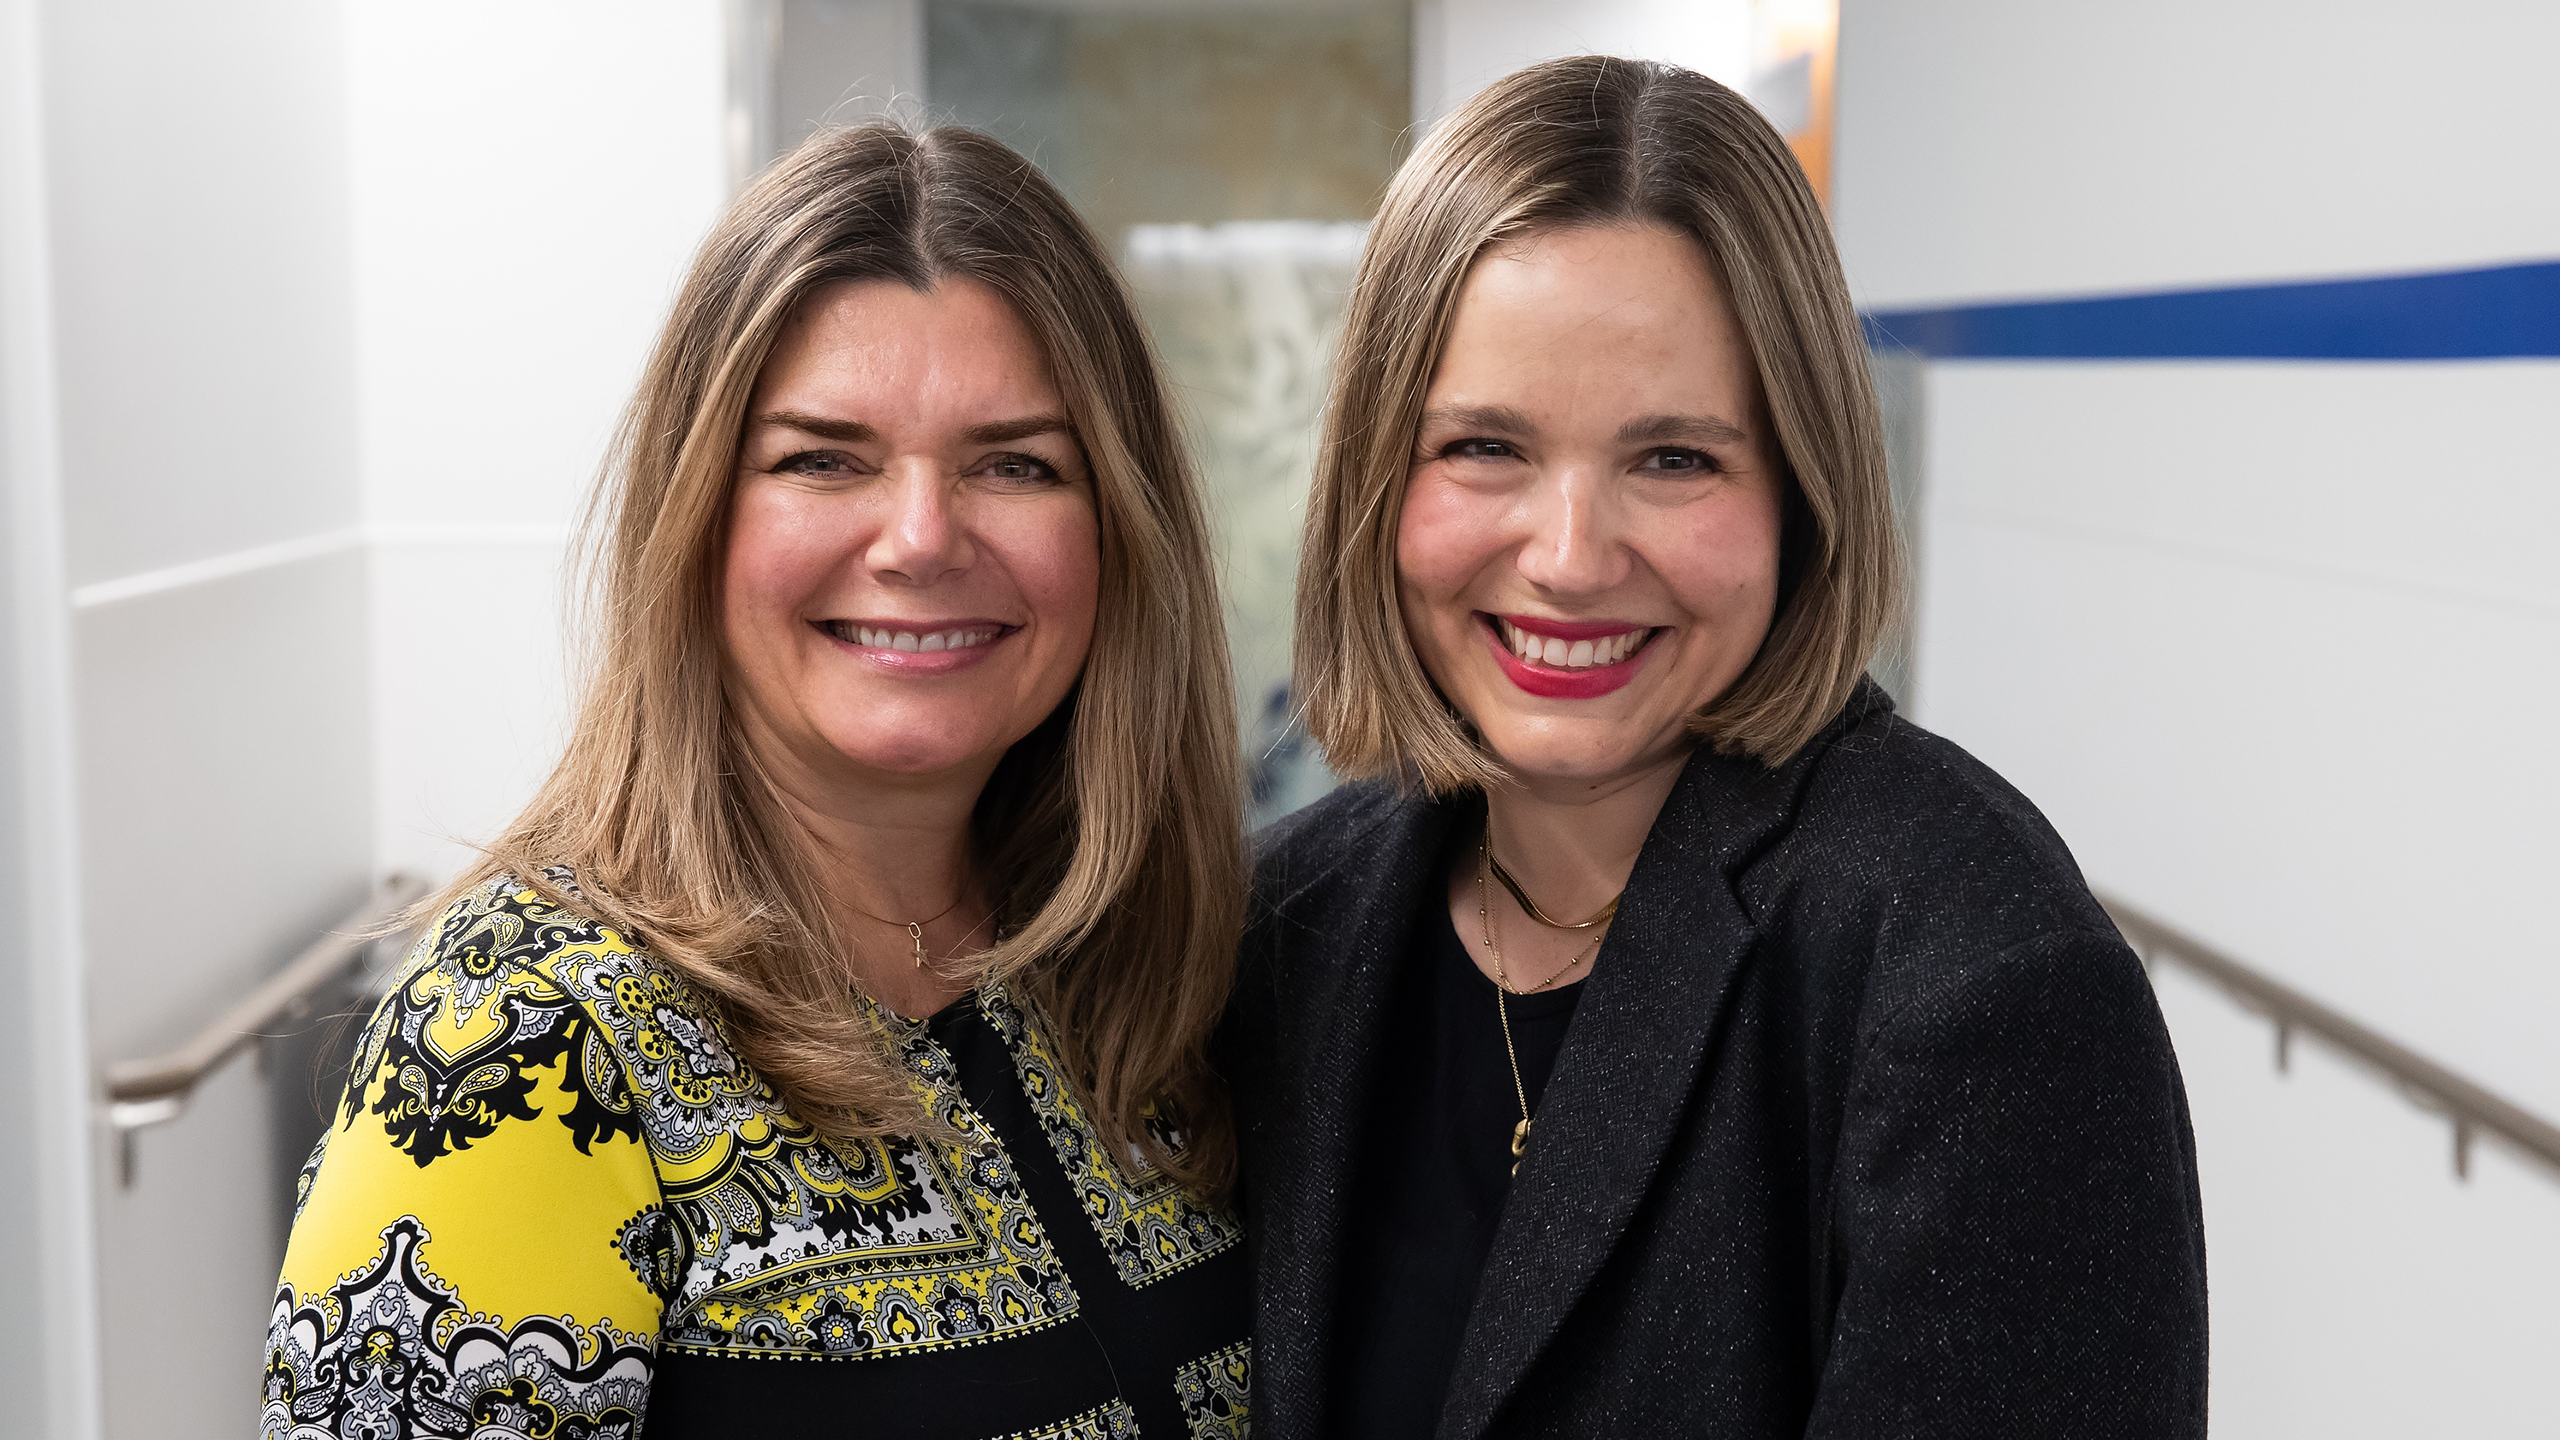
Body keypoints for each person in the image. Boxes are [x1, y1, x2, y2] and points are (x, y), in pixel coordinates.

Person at [1227, 56, 2208, 1438]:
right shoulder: (1281, 930)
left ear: (1802, 489)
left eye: (1674, 458)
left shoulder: (1980, 983)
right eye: (1485, 447)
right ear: (1375, 478)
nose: (1569, 559)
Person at [265, 124, 1252, 1440]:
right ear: (697, 519)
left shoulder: (1137, 977)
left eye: (1016, 463)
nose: (920, 538)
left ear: (1120, 529)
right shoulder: (526, 1036)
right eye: (822, 459)